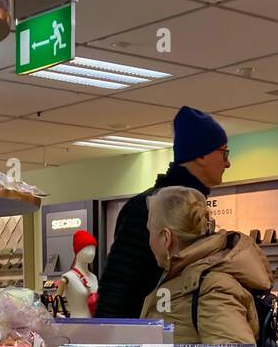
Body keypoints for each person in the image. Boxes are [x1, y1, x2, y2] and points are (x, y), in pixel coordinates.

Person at [96, 106, 231, 319]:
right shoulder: (147, 207)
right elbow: (118, 283)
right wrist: (106, 344)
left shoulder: (193, 204)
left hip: (184, 335)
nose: (228, 163)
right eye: (224, 153)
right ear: (202, 155)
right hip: (149, 340)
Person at [140, 186, 272, 343]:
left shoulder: (212, 287)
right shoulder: (185, 277)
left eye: (150, 232)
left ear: (166, 238)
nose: (149, 240)